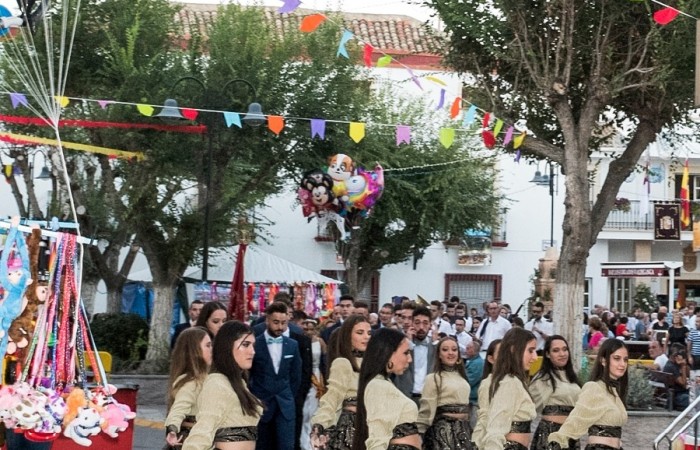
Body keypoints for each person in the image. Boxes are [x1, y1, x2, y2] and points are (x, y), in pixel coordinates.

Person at [182, 321, 263, 450]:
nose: (252, 351)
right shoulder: (217, 383)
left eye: (253, 345)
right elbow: (202, 431)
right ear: (227, 347)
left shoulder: (238, 383)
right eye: (246, 345)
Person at [547, 339, 629, 450]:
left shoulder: (614, 391)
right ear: (603, 361)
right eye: (617, 358)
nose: (622, 364)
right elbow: (576, 419)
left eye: (625, 359)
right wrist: (558, 440)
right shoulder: (594, 388)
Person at [353, 327, 421, 450]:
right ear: (388, 353)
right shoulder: (378, 386)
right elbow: (377, 438)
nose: (410, 359)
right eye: (405, 353)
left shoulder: (383, 382)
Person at [311, 316, 371, 449]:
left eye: (369, 333)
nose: (366, 337)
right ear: (347, 336)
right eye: (360, 333)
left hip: (372, 428)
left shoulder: (372, 364)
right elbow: (333, 396)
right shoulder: (343, 363)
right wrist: (320, 425)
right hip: (352, 429)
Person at [249, 302, 302, 450]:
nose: (280, 327)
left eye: (284, 323)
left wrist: (287, 394)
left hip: (285, 405)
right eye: (276, 322)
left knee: (286, 446)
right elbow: (249, 375)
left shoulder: (292, 345)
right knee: (261, 446)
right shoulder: (255, 344)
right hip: (261, 405)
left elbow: (296, 376)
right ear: (267, 320)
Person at [481, 328, 537, 450]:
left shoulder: (516, 381)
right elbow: (496, 430)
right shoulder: (509, 383)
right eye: (530, 351)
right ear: (513, 349)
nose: (535, 357)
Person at [417, 337, 472, 449]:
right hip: (443, 433)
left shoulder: (462, 377)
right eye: (445, 350)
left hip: (464, 431)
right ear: (439, 355)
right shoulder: (433, 378)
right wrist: (419, 435)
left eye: (454, 349)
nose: (450, 353)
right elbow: (426, 411)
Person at [528, 335, 580, 450]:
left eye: (565, 349)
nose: (562, 354)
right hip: (551, 435)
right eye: (556, 350)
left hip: (571, 435)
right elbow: (528, 409)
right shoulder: (543, 379)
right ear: (547, 354)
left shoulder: (571, 377)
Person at [165, 327, 212, 448]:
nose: (212, 349)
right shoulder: (190, 383)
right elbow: (178, 409)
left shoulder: (210, 377)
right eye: (208, 345)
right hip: (194, 442)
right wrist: (172, 429)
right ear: (195, 351)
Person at [393, 306, 436, 402]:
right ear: (412, 324)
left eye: (425, 323)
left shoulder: (435, 346)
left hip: (427, 398)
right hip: (404, 397)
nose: (421, 327)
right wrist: (408, 343)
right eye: (417, 323)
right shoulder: (400, 343)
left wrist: (435, 343)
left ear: (430, 325)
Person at [471, 339, 501, 449]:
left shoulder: (513, 381)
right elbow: (484, 416)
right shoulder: (487, 384)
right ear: (490, 359)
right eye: (501, 353)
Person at [302, 319, 327, 450]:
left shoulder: (320, 342)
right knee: (305, 410)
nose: (309, 332)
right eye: (306, 329)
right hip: (306, 376)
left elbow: (324, 361)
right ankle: (304, 441)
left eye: (311, 329)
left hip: (318, 376)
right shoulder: (301, 342)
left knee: (316, 409)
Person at [463, 339, 483, 430]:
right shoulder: (472, 361)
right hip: (470, 398)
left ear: (473, 350)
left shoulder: (478, 363)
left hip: (474, 399)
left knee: (472, 425)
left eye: (467, 348)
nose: (465, 351)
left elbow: (469, 381)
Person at [663, 344, 690, 409]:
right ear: (676, 355)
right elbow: (684, 384)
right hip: (677, 397)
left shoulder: (672, 364)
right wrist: (683, 366)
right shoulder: (671, 367)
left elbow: (689, 374)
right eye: (682, 354)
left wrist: (684, 364)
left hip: (679, 394)